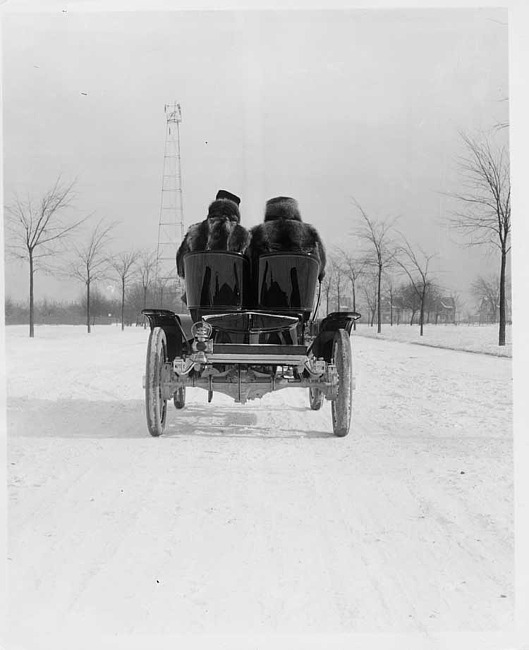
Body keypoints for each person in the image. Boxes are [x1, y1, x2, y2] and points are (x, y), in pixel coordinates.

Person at [247, 196, 326, 281]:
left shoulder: (256, 233)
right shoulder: (310, 232)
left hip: (264, 288)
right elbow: (320, 266)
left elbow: (247, 264)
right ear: (295, 210)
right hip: (299, 289)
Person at [176, 190, 250, 278]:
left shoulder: (195, 232)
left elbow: (181, 269)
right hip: (231, 290)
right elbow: (249, 273)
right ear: (236, 211)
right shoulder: (242, 235)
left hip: (199, 290)